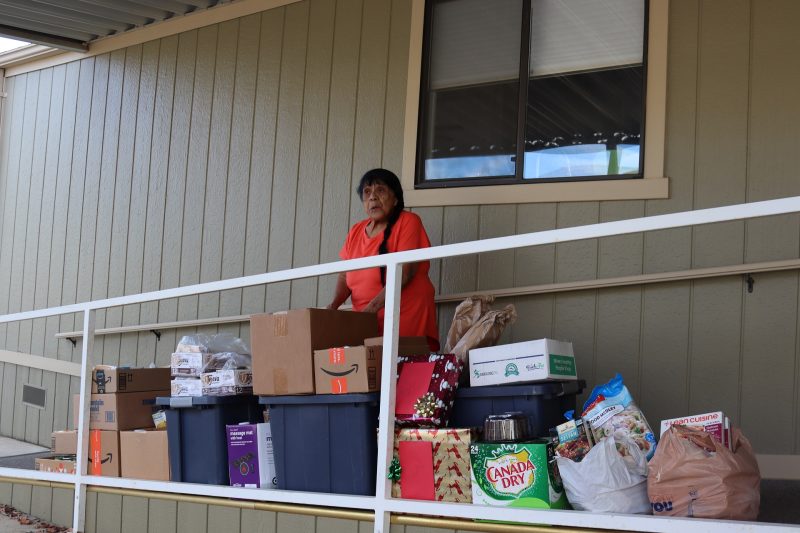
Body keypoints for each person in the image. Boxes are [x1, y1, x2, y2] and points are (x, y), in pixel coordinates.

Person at [328, 168, 440, 351]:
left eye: (380, 190)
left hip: (404, 317)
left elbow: (404, 274)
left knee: (401, 367)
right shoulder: (356, 231)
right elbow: (344, 275)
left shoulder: (408, 221)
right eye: (367, 192)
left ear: (395, 199)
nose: (372, 197)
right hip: (367, 321)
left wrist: (367, 313)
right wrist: (333, 306)